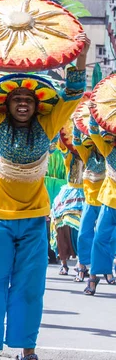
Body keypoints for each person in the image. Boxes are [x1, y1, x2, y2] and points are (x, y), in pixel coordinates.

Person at [0, 27, 89, 360]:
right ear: (7, 104)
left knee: (30, 290)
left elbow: (72, 94)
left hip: (33, 224)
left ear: (36, 105)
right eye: (17, 99)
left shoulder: (49, 125)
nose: (23, 104)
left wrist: (81, 55)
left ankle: (27, 349)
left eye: (28, 100)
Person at [83, 111, 116, 295]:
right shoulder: (109, 150)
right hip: (110, 203)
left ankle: (106, 274)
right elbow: (94, 133)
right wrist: (94, 111)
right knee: (99, 240)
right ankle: (93, 278)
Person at [72, 124, 105, 282]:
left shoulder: (110, 154)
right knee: (83, 235)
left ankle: (103, 269)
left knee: (105, 237)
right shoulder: (87, 155)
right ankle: (82, 264)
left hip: (107, 203)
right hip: (90, 203)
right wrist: (76, 123)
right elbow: (77, 142)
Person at [49, 142, 85, 275]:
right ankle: (63, 262)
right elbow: (63, 144)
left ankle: (81, 262)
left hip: (88, 195)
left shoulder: (93, 153)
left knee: (83, 228)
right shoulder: (69, 154)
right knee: (59, 224)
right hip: (69, 193)